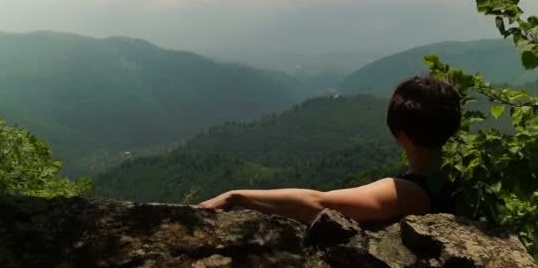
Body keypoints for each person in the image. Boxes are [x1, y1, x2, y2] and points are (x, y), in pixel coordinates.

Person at [198, 76, 462, 224]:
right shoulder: (461, 176)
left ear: (400, 135)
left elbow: (319, 203)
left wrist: (237, 197)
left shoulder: (407, 192)